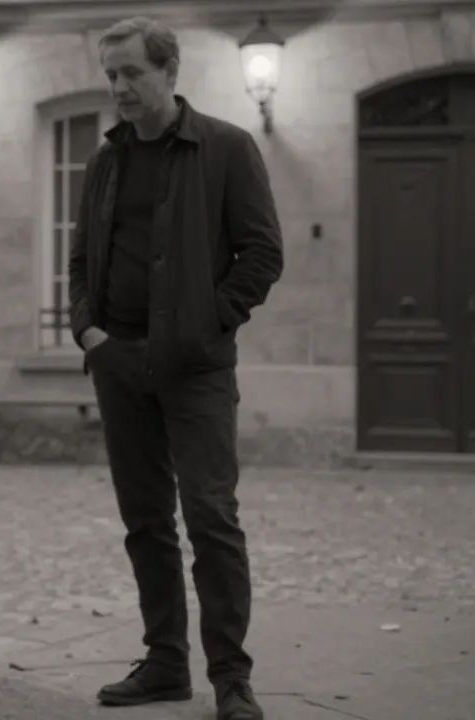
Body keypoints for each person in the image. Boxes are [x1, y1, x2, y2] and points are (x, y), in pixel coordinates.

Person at [67, 16, 284, 720]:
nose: (120, 88)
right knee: (145, 521)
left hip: (196, 369)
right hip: (118, 361)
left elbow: (262, 255)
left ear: (169, 72)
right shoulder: (106, 160)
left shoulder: (226, 148)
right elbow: (81, 260)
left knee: (212, 516)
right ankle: (165, 664)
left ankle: (231, 678)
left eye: (132, 73)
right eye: (111, 75)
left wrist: (204, 323)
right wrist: (89, 331)